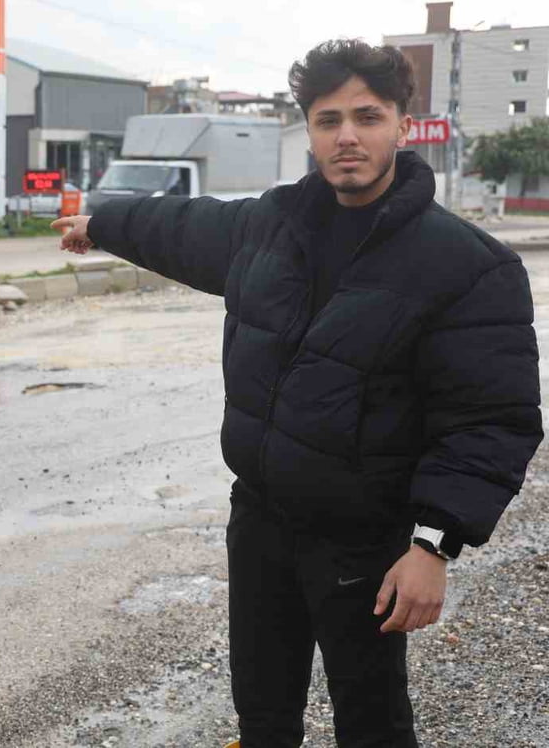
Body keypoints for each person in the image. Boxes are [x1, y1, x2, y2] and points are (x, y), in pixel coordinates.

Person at [52, 39, 542, 748]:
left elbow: (491, 418)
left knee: (372, 722)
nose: (347, 135)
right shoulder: (269, 224)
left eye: (367, 117)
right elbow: (178, 226)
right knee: (263, 712)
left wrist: (433, 543)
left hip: (364, 537)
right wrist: (99, 223)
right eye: (328, 118)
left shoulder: (466, 265)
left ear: (404, 126)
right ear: (310, 130)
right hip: (260, 521)